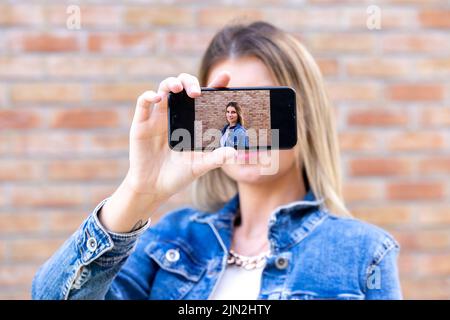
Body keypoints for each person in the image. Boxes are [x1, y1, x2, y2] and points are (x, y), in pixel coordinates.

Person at [32, 21, 402, 300]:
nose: (241, 117)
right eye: (224, 102)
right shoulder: (172, 241)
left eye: (264, 102)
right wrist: (138, 190)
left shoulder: (364, 253)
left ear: (302, 113)